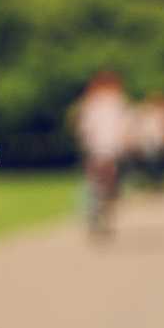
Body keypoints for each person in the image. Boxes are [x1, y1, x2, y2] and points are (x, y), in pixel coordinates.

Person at [69, 71, 131, 239]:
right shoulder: (116, 102)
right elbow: (125, 128)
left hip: (98, 148)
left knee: (97, 184)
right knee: (106, 186)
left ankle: (95, 214)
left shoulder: (92, 102)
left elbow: (83, 127)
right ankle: (99, 215)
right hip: (108, 149)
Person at [127, 93, 164, 192]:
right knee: (153, 162)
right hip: (150, 140)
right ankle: (154, 182)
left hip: (161, 141)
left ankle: (156, 182)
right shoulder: (146, 112)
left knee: (158, 163)